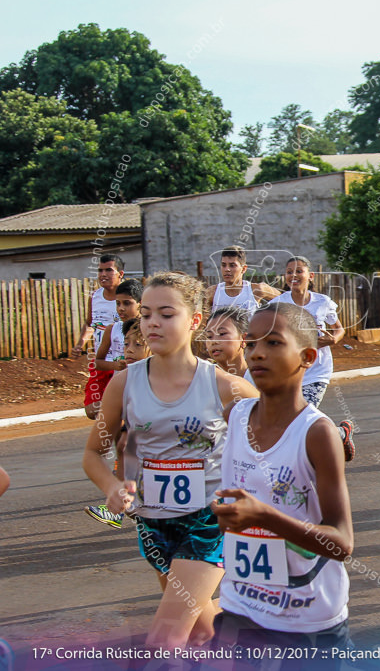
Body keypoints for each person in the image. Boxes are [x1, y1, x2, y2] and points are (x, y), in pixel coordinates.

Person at [82, 272, 260, 649]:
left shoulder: (227, 387)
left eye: (166, 314)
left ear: (194, 320)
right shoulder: (124, 384)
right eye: (146, 314)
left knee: (164, 640)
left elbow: (280, 440)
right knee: (201, 631)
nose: (152, 324)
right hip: (152, 524)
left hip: (209, 522)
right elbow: (92, 452)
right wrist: (112, 486)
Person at [210, 303, 355, 656]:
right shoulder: (235, 414)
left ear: (307, 356)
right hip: (241, 607)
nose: (257, 353)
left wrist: (265, 517)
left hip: (306, 620)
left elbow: (342, 543)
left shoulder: (317, 434)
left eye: (273, 343)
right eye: (250, 344)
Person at [85, 316, 149, 529]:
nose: (129, 350)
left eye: (137, 345)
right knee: (122, 447)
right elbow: (92, 452)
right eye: (126, 344)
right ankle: (124, 504)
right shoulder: (124, 379)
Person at [267, 256, 343, 408]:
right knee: (292, 416)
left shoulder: (322, 302)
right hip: (287, 371)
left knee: (303, 411)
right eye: (289, 272)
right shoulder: (277, 304)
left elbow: (339, 329)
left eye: (299, 271)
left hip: (317, 371)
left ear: (311, 275)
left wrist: (333, 339)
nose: (293, 275)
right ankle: (339, 432)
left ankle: (333, 432)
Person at [73, 255, 126, 418]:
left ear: (120, 274)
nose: (103, 274)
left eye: (109, 270)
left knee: (116, 411)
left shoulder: (130, 297)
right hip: (102, 362)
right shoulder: (95, 297)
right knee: (92, 410)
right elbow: (90, 323)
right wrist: (80, 343)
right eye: (100, 270)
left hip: (125, 362)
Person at [88, 278, 144, 418]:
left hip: (144, 385)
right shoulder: (112, 329)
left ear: (140, 304)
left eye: (127, 303)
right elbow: (97, 362)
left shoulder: (149, 328)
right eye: (118, 303)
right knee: (99, 414)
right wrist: (115, 365)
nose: (121, 308)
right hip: (120, 384)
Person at [204, 246, 281, 316]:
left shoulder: (256, 290)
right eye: (224, 265)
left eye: (232, 265)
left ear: (244, 269)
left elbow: (284, 299)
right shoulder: (213, 292)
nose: (227, 269)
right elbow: (202, 318)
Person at [204, 306, 251, 380]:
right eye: (209, 336)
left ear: (244, 339)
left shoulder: (262, 379)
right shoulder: (204, 379)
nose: (214, 341)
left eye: (222, 334)